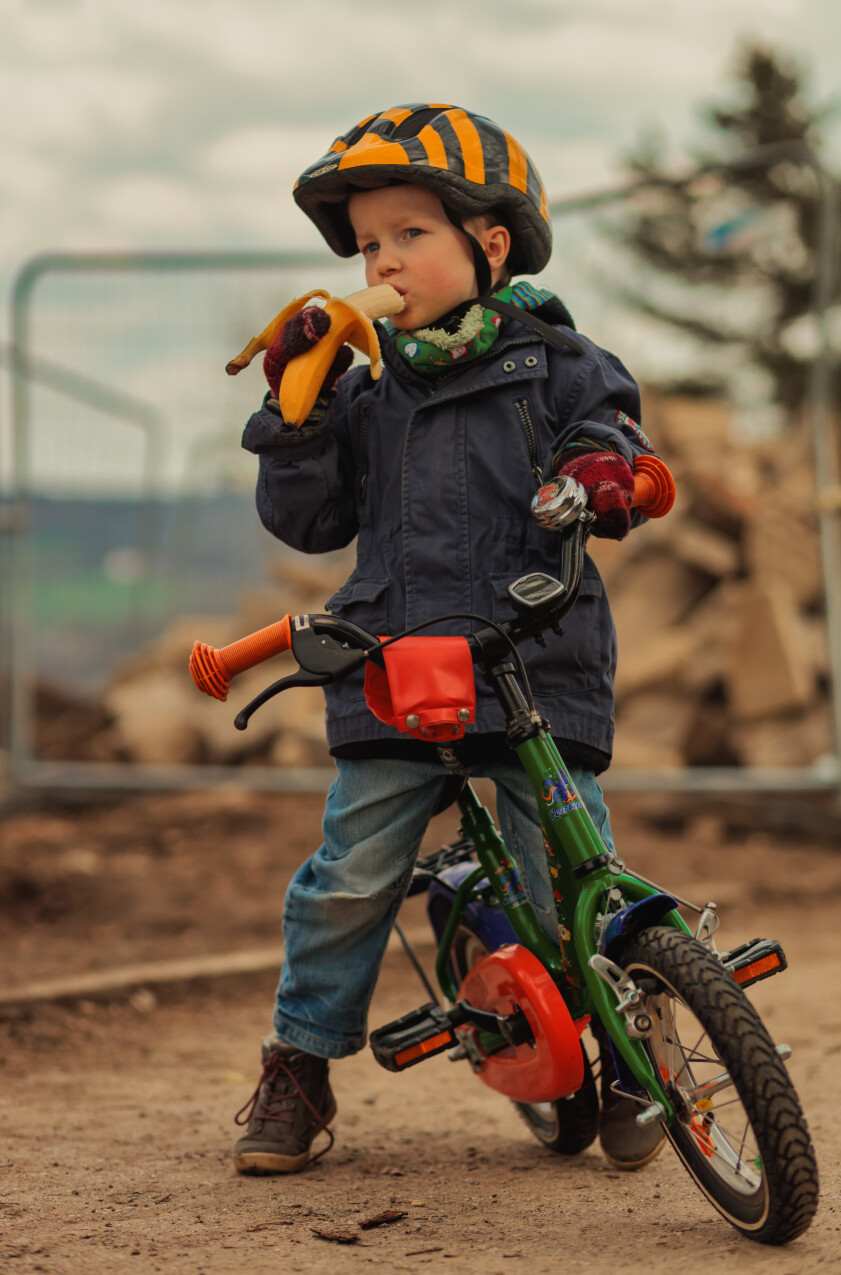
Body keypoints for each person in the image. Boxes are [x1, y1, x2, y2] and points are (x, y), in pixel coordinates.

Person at [233, 103, 664, 1176]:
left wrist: (600, 471)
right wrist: (295, 417)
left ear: (491, 243)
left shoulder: (557, 363)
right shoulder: (366, 390)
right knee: (347, 877)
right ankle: (301, 1060)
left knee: (569, 867)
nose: (383, 259)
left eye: (408, 234)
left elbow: (606, 429)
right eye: (368, 243)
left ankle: (621, 1037)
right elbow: (311, 524)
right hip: (392, 665)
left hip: (530, 656)